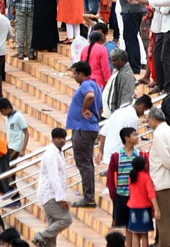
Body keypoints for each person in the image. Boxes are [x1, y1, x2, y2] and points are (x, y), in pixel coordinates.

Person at [67, 61, 102, 207]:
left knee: (83, 163)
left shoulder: (87, 85)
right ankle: (89, 195)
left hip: (83, 129)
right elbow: (99, 108)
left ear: (81, 74)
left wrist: (83, 110)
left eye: (75, 73)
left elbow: (89, 96)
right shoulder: (95, 84)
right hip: (89, 128)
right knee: (87, 163)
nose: (74, 76)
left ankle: (89, 197)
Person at [146, 107, 170, 247]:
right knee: (165, 215)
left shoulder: (160, 134)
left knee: (164, 217)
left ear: (154, 119)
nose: (148, 123)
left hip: (162, 179)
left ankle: (165, 243)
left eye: (149, 119)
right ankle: (160, 241)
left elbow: (166, 159)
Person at [33, 127, 73, 247]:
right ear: (53, 139)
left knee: (53, 226)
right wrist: (62, 198)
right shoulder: (51, 154)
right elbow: (53, 177)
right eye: (59, 138)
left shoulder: (58, 152)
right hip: (50, 195)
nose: (61, 140)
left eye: (63, 138)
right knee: (66, 219)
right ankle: (40, 236)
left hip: (52, 195)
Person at [125, 154, 157, 247]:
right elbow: (151, 193)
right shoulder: (146, 177)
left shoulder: (131, 177)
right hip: (144, 208)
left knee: (135, 233)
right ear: (144, 165)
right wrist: (156, 208)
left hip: (133, 208)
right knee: (144, 233)